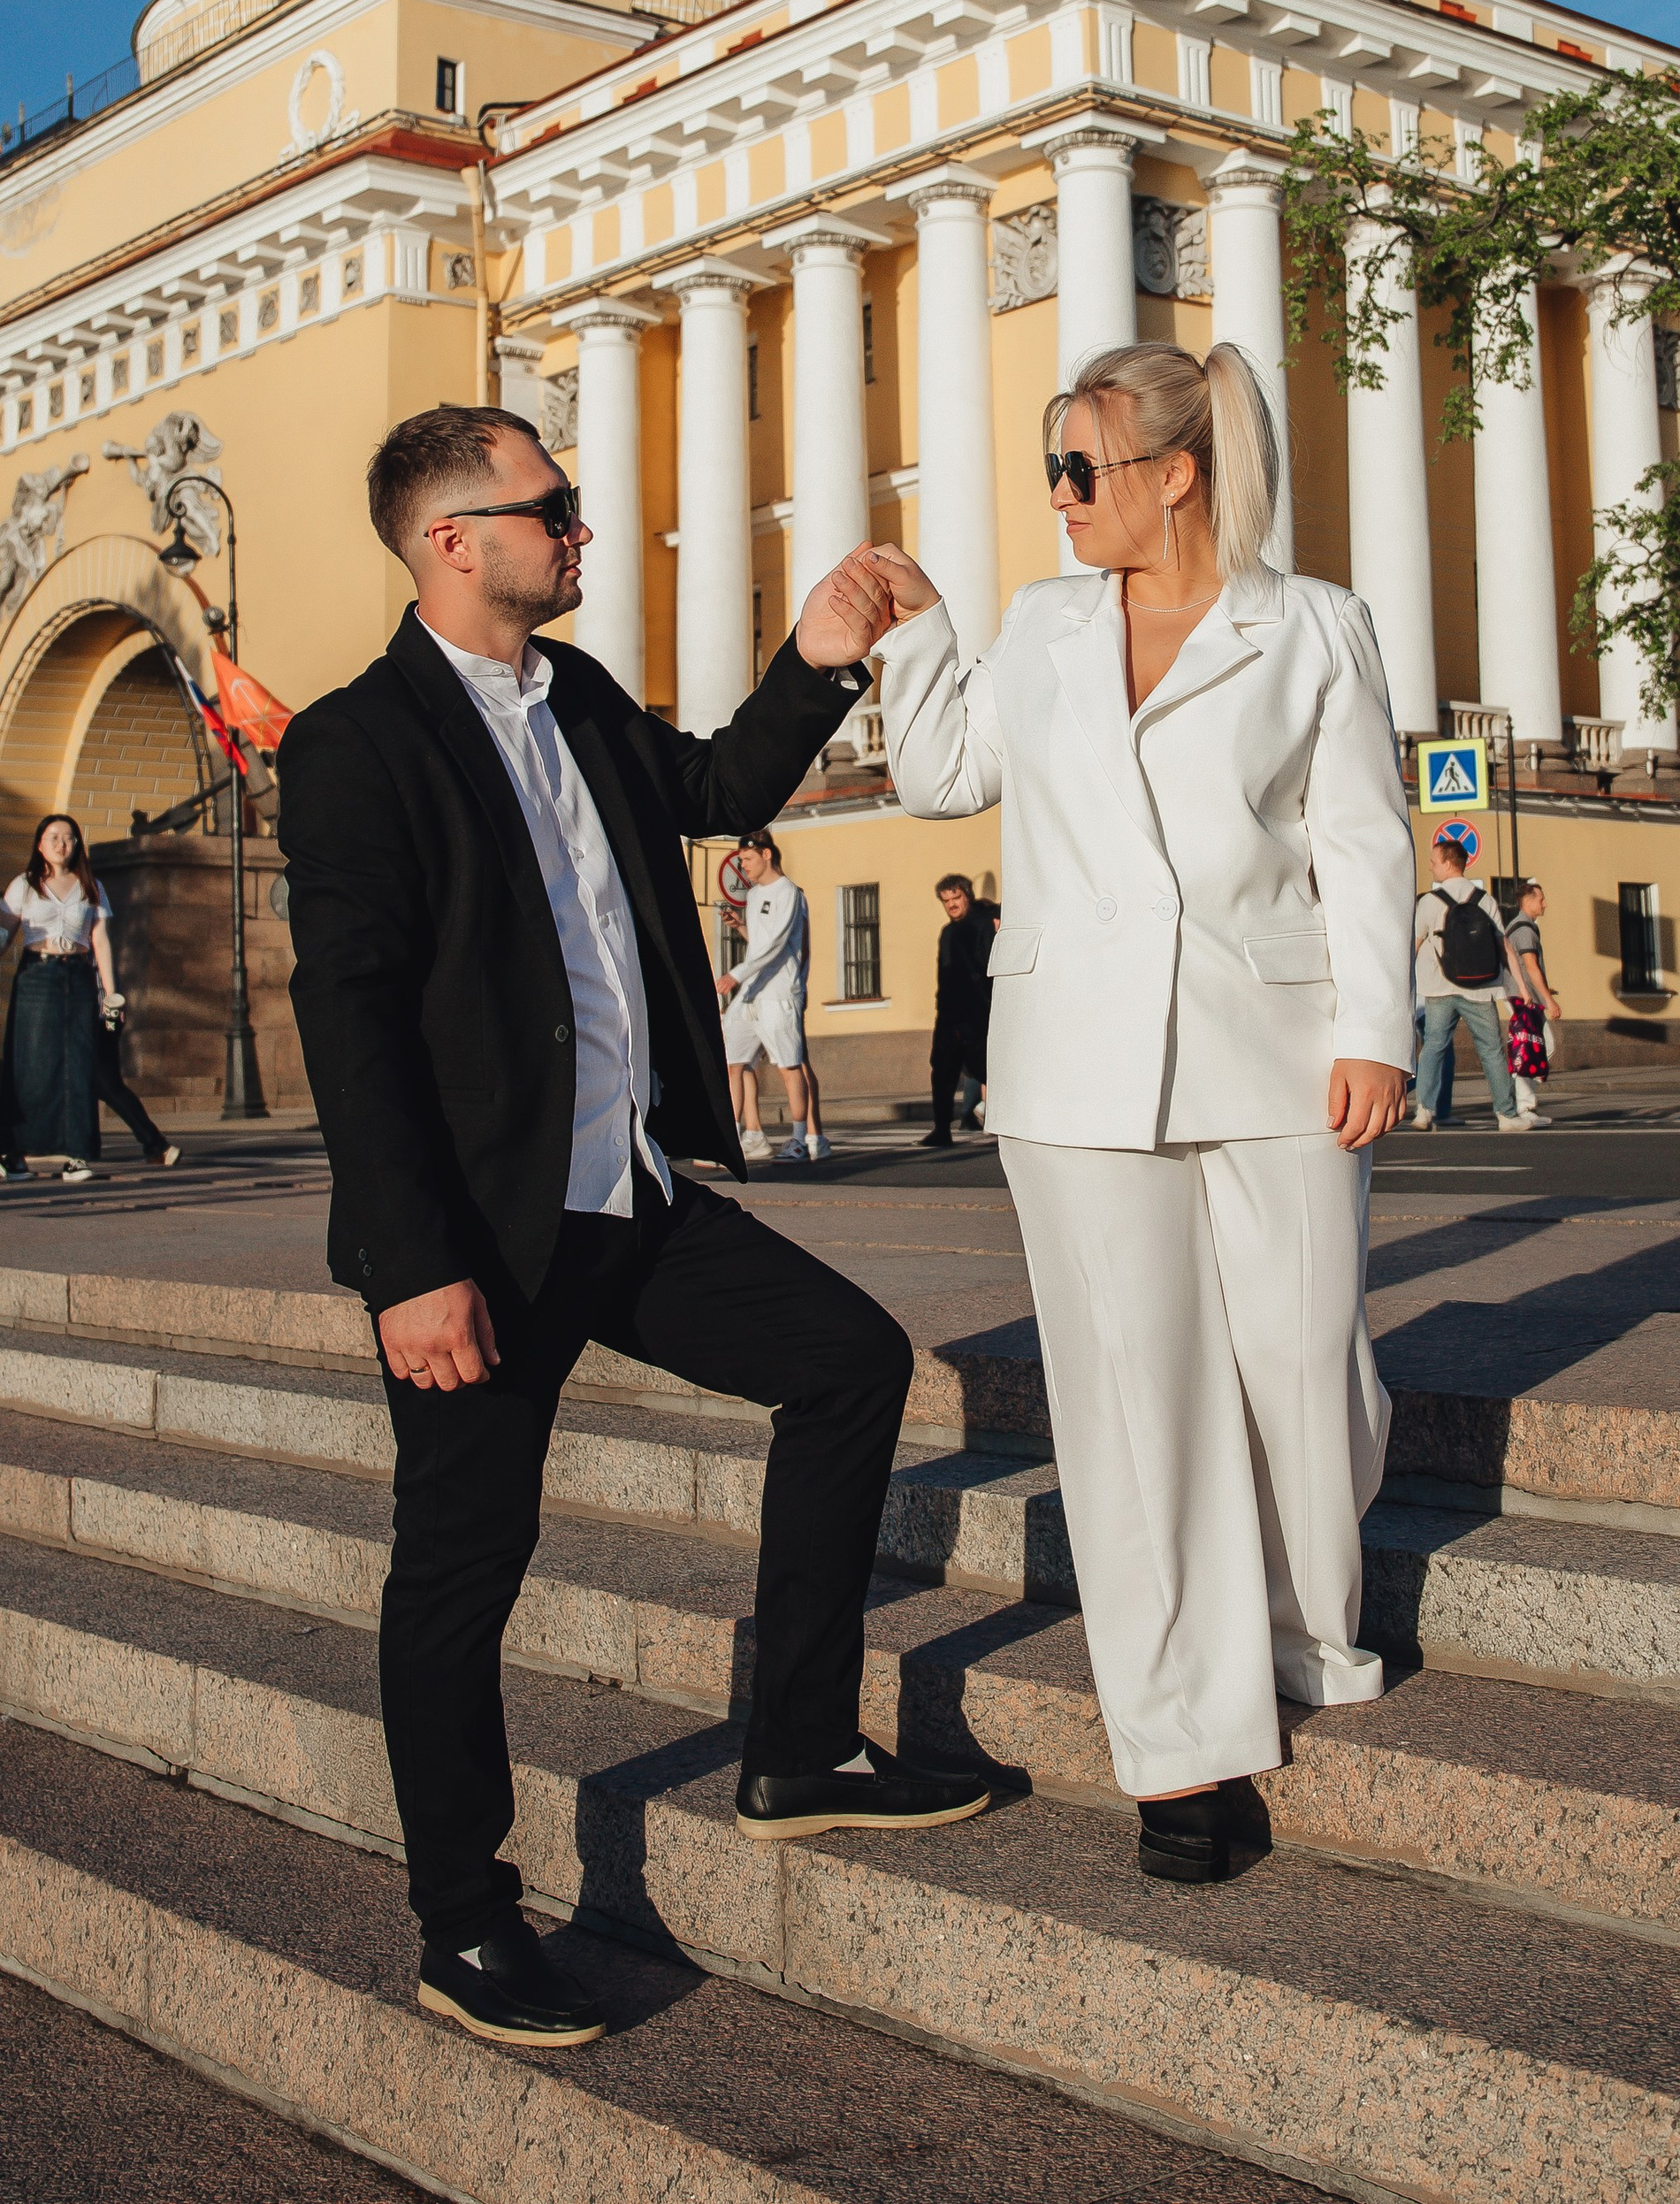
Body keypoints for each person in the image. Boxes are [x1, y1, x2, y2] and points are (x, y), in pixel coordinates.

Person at [277, 403, 986, 2060]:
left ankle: (799, 1750)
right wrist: (411, 1263)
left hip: (631, 1195)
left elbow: (718, 784)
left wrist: (816, 657)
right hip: (480, 1242)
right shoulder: (356, 743)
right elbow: (351, 1019)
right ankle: (463, 1919)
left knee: (848, 1364)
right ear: (454, 536)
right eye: (556, 507)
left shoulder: (576, 693)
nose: (582, 529)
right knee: (463, 1571)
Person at [830, 338, 1411, 1887]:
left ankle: (1305, 1619)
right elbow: (945, 775)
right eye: (1051, 470)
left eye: (1082, 468)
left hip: (1281, 1046)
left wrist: (1379, 1031)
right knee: (1133, 1408)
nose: (1061, 498)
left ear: (1179, 471)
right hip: (1076, 1062)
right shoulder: (1038, 623)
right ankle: (1183, 1745)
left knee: (1305, 1358)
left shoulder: (1315, 628)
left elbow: (1361, 841)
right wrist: (918, 632)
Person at [1, 816, 176, 1182]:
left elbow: (101, 940)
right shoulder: (25, 885)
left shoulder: (90, 885)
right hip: (36, 977)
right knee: (29, 1066)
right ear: (40, 844)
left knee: (77, 1067)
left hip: (78, 978)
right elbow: (4, 929)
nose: (61, 844)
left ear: (77, 844)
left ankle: (76, 1156)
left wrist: (111, 992)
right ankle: (14, 1156)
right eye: (53, 837)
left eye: (69, 837)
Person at [718, 830, 826, 1162]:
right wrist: (740, 927)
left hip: (780, 992)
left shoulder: (790, 893)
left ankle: (799, 1138)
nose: (743, 867)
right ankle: (732, 1138)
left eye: (747, 860)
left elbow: (779, 945)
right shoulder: (752, 897)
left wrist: (734, 974)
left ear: (766, 855)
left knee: (789, 1066)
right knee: (732, 1061)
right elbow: (760, 944)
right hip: (753, 992)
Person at [1410, 832, 1519, 1134]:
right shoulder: (1485, 900)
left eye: (1434, 861)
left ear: (1448, 863)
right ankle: (1507, 1116)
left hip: (1438, 989)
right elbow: (1504, 946)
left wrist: (1404, 986)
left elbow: (1415, 946)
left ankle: (1424, 1112)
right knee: (1492, 1051)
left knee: (1433, 1047)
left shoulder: (1430, 902)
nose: (1431, 867)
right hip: (1482, 989)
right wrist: (1520, 989)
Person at [921, 872, 997, 1148]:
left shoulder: (987, 921)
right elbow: (945, 974)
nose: (951, 904)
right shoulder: (948, 932)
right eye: (946, 900)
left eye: (956, 898)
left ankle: (1012, 1126)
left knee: (987, 1069)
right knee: (942, 1070)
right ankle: (942, 1129)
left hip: (981, 1011)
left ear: (968, 896)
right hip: (951, 1013)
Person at [1499, 875, 1562, 1129]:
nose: (1545, 904)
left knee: (1533, 1048)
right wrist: (1549, 1001)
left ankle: (1525, 1104)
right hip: (1521, 997)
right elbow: (1530, 966)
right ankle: (1521, 1105)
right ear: (1528, 901)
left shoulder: (1523, 927)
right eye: (1541, 899)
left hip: (1523, 995)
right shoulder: (1524, 929)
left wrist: (1546, 991)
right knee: (1536, 1047)